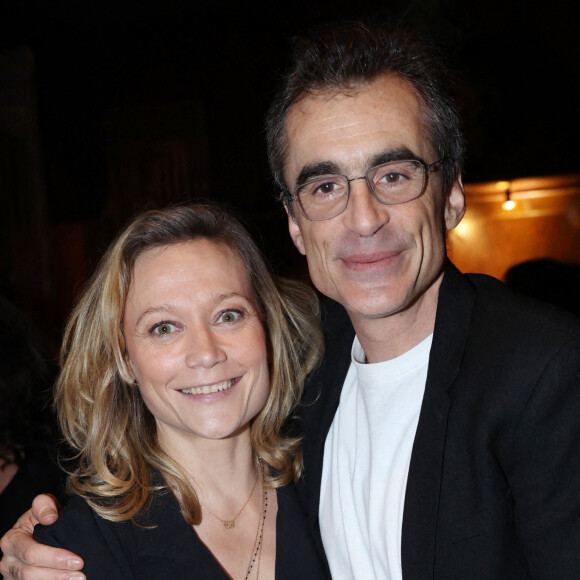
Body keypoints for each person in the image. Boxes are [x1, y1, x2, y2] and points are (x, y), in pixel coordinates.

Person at [3, 21, 580, 580]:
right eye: (325, 187)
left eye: (394, 175)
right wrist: (28, 535)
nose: (363, 218)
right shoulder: (311, 380)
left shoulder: (544, 371)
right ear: (296, 224)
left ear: (452, 193)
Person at [3, 203, 328, 579]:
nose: (206, 353)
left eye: (228, 315)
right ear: (125, 360)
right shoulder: (75, 552)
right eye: (164, 328)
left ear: (268, 329)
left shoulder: (331, 482)